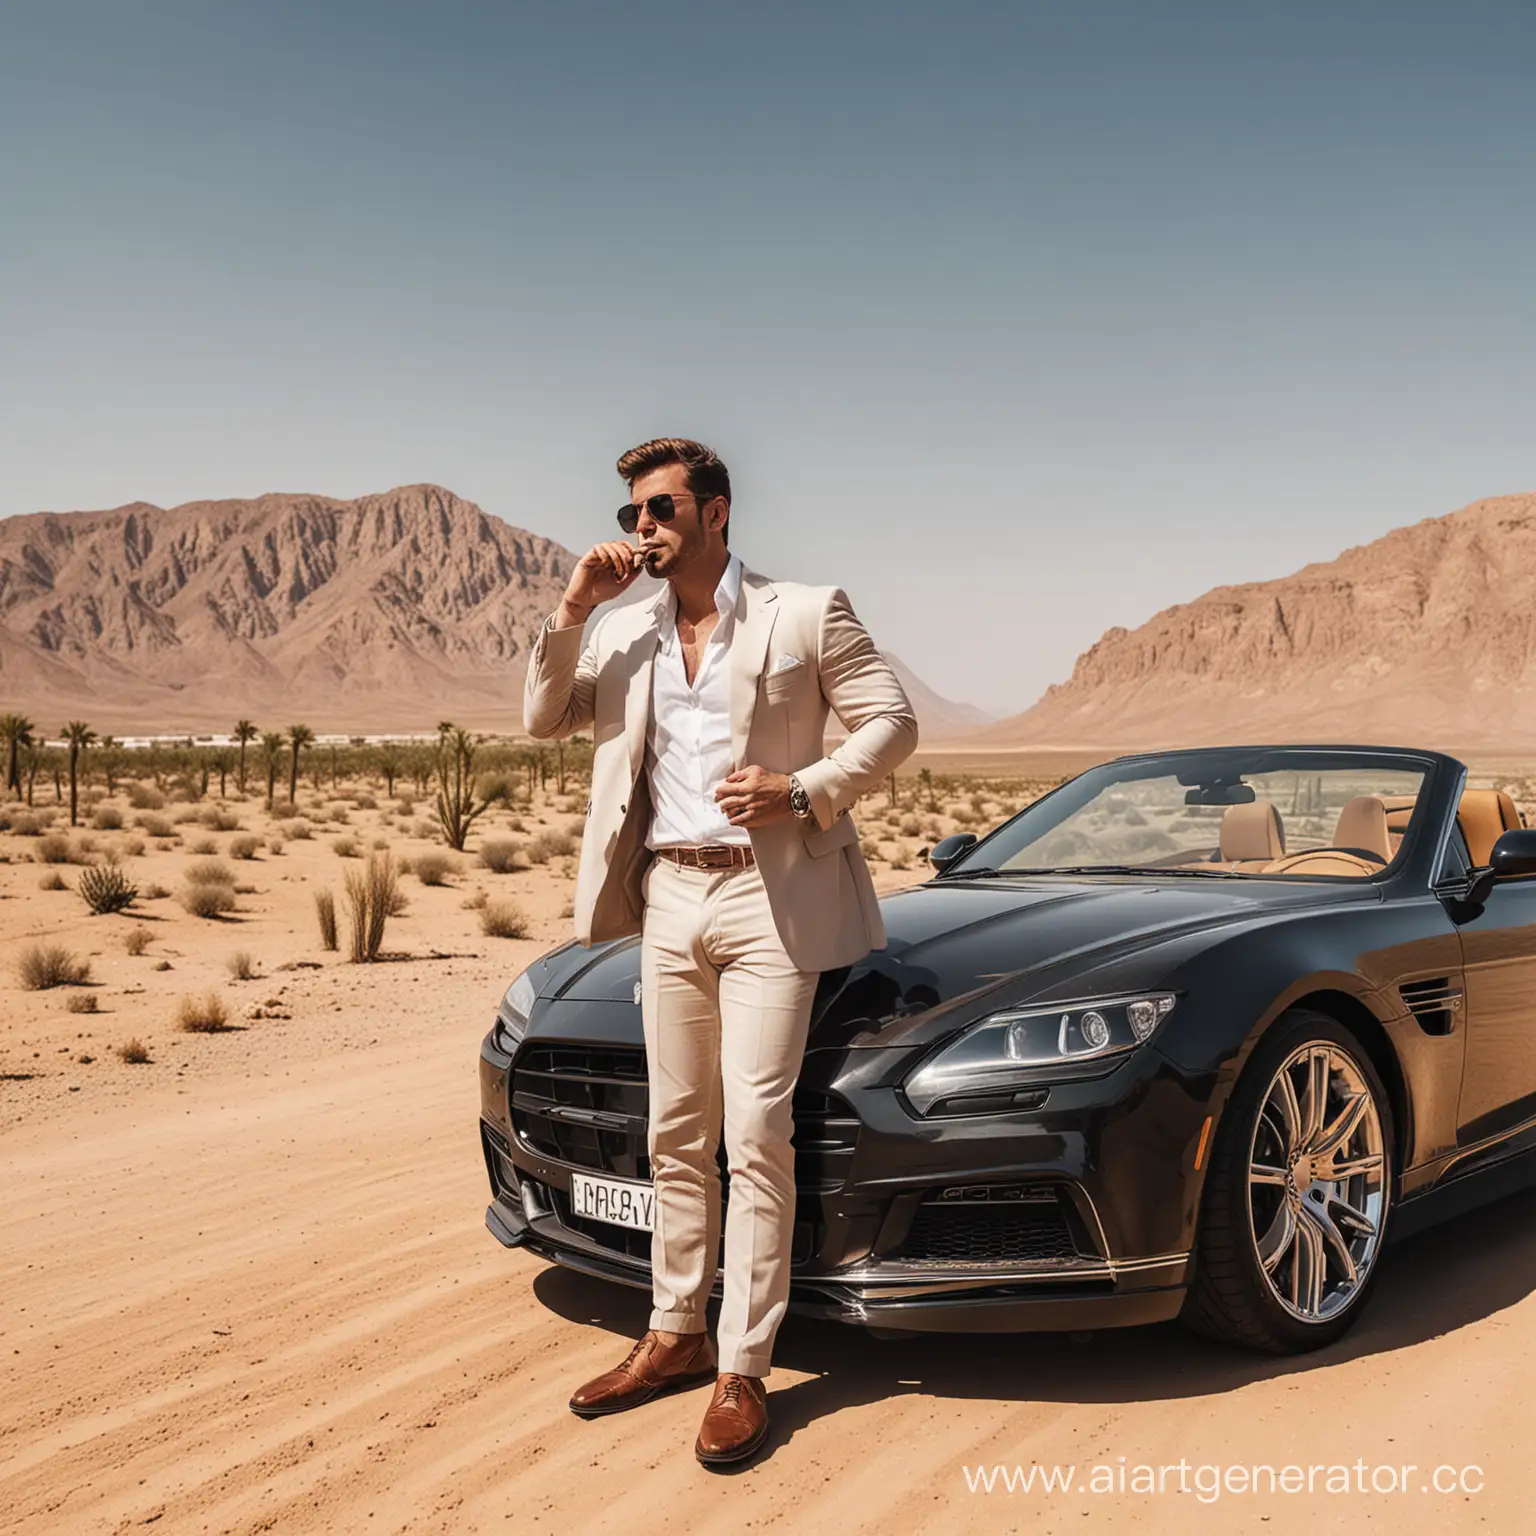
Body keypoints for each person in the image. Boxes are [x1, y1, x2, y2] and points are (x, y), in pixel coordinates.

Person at [523, 436, 918, 1466]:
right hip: (668, 894)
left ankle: (744, 1365)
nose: (640, 530)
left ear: (717, 512)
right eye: (630, 517)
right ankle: (674, 1335)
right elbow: (540, 719)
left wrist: (801, 790)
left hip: (767, 897)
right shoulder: (619, 633)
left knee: (754, 1134)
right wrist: (570, 611)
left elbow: (892, 724)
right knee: (674, 1130)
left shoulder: (805, 611)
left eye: (658, 510)